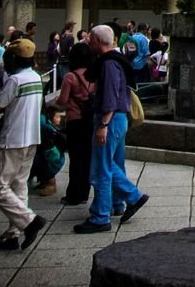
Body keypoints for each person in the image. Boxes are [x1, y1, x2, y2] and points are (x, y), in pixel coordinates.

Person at [72, 24, 149, 234]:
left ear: (98, 41)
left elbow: (110, 95)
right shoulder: (117, 59)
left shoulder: (109, 64)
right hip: (118, 118)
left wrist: (103, 124)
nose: (88, 42)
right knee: (114, 162)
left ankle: (102, 215)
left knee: (100, 167)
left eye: (90, 39)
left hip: (111, 119)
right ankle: (118, 203)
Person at [0, 38, 46, 251]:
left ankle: (28, 221)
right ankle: (12, 234)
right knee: (19, 184)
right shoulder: (35, 77)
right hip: (32, 138)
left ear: (14, 58)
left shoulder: (15, 80)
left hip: (12, 140)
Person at [53, 41, 95, 205]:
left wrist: (55, 102)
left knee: (76, 159)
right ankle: (85, 192)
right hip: (90, 121)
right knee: (87, 157)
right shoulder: (93, 75)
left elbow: (62, 101)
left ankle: (74, 194)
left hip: (75, 120)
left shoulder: (70, 77)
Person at [30, 105, 66, 197]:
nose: (59, 119)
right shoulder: (47, 125)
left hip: (52, 156)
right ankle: (45, 182)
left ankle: (50, 184)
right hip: (47, 153)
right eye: (57, 117)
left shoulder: (49, 127)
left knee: (44, 164)